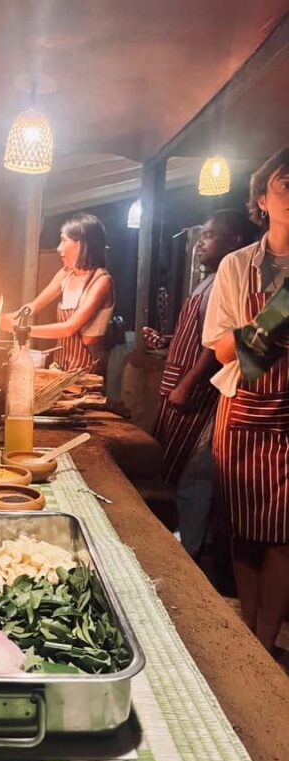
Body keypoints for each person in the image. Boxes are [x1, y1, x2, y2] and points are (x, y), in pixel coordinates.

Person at [203, 146, 289, 653]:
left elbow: (238, 339)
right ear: (262, 197)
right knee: (244, 529)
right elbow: (218, 347)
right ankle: (250, 633)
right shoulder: (238, 265)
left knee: (283, 533)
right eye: (285, 183)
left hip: (287, 414)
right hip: (241, 410)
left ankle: (265, 639)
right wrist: (279, 316)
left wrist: (256, 331)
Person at [149, 210, 257, 558]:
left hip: (199, 395)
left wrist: (186, 385)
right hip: (181, 387)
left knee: (194, 476)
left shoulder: (227, 285)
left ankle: (189, 551)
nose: (200, 243)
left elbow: (215, 350)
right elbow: (198, 336)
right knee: (177, 472)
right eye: (202, 235)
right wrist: (167, 340)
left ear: (235, 242)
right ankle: (184, 540)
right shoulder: (206, 282)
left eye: (210, 236)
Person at [0, 213, 114, 374]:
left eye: (64, 240)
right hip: (60, 367)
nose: (59, 248)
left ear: (80, 244)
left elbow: (69, 328)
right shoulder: (66, 273)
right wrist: (8, 317)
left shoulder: (101, 281)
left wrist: (20, 329)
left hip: (86, 372)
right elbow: (34, 306)